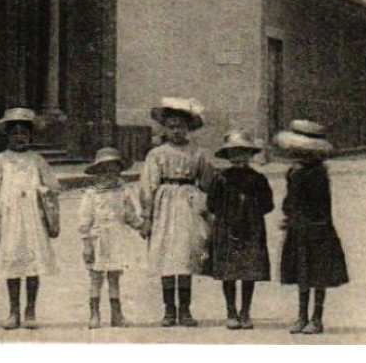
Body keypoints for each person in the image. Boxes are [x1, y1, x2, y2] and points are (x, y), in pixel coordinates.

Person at [140, 96, 215, 327]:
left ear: (188, 128)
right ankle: (168, 310)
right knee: (166, 256)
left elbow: (208, 182)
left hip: (188, 206)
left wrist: (206, 209)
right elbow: (147, 186)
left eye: (180, 127)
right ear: (164, 128)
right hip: (164, 206)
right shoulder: (157, 154)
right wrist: (147, 216)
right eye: (171, 127)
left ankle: (185, 308)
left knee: (184, 256)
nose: (176, 131)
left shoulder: (198, 153)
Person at [274, 119, 349, 335]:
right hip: (298, 228)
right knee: (302, 274)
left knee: (318, 275)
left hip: (317, 229)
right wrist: (288, 217)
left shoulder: (318, 174)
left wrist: (315, 223)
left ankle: (317, 318)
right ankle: (302, 316)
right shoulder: (293, 172)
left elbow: (321, 204)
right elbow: (290, 200)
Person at [0, 107, 59, 330]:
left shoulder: (36, 159)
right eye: (14, 133)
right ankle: (13, 310)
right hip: (9, 217)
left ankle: (30, 310)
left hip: (31, 217)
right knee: (12, 263)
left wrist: (43, 192)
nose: (19, 137)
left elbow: (52, 186)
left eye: (24, 133)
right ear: (7, 135)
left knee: (32, 263)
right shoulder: (1, 159)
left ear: (31, 136)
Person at [208, 129, 274, 329]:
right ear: (228, 156)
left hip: (251, 229)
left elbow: (268, 205)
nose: (238, 157)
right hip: (227, 230)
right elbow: (212, 204)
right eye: (234, 153)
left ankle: (245, 312)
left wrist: (250, 210)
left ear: (250, 155)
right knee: (229, 271)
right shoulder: (220, 179)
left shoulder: (258, 179)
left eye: (243, 152)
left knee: (248, 271)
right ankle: (231, 311)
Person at [78, 147, 145, 328]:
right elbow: (85, 221)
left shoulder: (122, 191)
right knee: (96, 277)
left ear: (119, 171)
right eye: (105, 169)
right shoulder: (92, 194)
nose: (109, 173)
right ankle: (94, 314)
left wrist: (142, 226)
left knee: (114, 277)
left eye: (114, 169)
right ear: (98, 171)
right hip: (98, 240)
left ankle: (117, 315)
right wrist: (87, 245)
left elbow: (129, 215)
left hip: (116, 240)